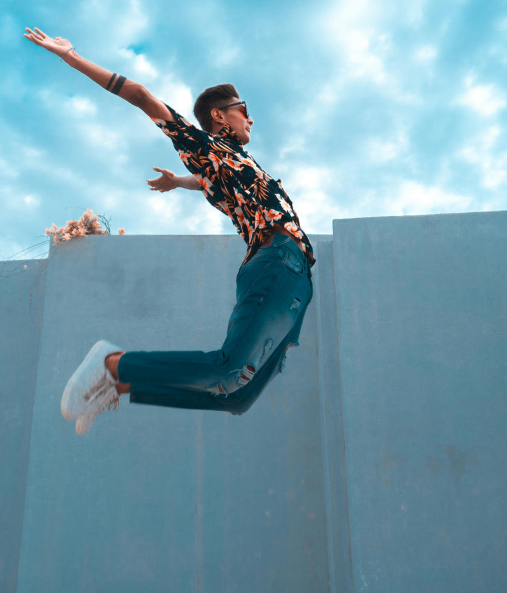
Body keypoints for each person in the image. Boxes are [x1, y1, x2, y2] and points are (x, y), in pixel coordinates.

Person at [24, 27, 315, 435]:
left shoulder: (231, 165)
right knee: (228, 366)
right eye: (242, 109)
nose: (250, 117)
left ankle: (121, 385)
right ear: (220, 114)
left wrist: (179, 182)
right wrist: (71, 56)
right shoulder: (206, 145)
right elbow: (142, 96)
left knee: (237, 395)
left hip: (298, 280)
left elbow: (212, 182)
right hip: (276, 261)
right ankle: (112, 363)